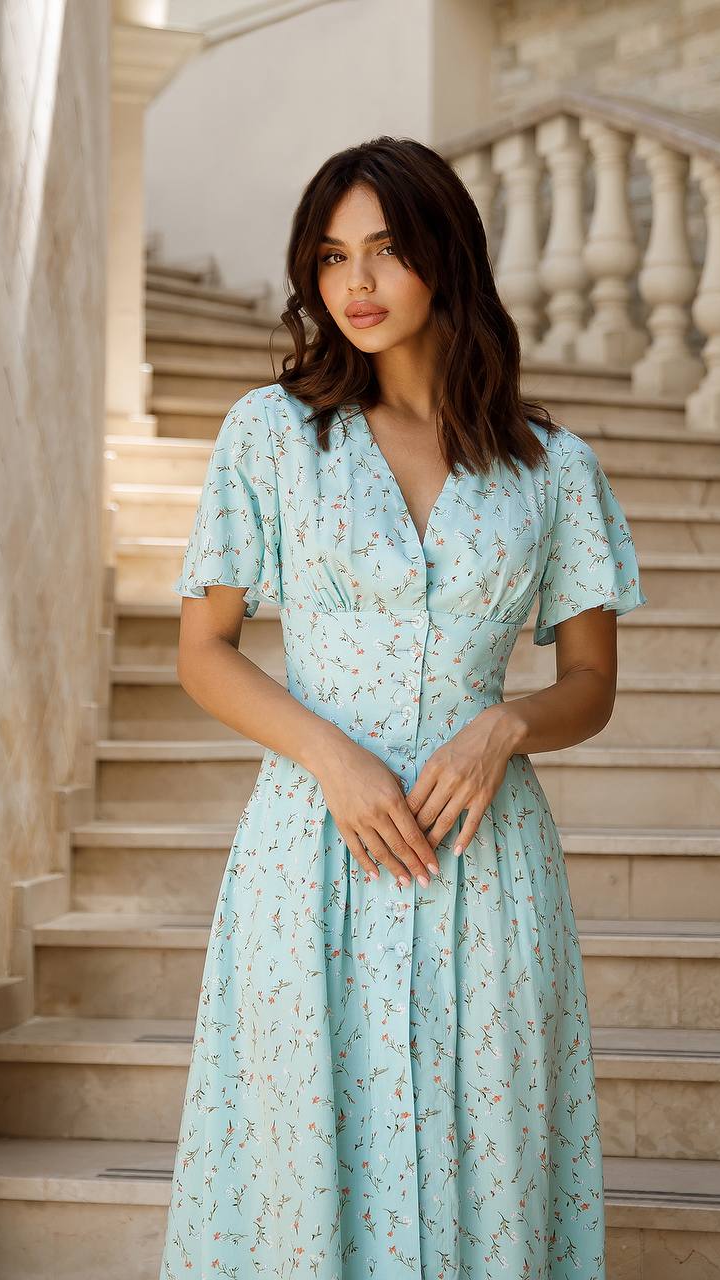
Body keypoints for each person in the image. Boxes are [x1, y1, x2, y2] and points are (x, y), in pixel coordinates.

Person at [159, 136, 646, 1280]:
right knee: (299, 1161)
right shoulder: (272, 437)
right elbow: (203, 650)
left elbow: (591, 682)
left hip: (482, 854)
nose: (357, 285)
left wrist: (508, 723)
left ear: (445, 257)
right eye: (331, 258)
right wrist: (329, 754)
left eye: (384, 250)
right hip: (314, 849)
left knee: (485, 1148)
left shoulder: (552, 467)